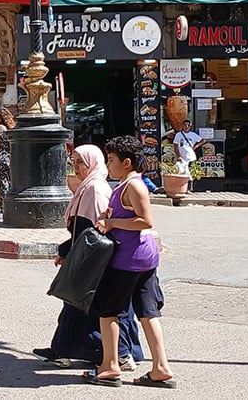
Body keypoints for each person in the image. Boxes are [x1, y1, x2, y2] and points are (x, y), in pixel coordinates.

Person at [33, 144, 143, 371]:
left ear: (93, 162)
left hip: (94, 258)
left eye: (81, 162)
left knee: (90, 306)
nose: (76, 167)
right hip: (85, 255)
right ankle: (63, 349)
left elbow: (92, 229)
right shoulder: (86, 188)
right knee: (75, 304)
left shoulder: (94, 189)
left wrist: (68, 252)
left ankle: (119, 354)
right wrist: (68, 251)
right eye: (73, 162)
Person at [84, 135, 175, 388]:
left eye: (111, 160)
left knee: (109, 311)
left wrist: (111, 223)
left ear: (126, 162)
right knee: (147, 312)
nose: (108, 165)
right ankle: (160, 367)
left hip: (127, 258)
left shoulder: (132, 185)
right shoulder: (127, 184)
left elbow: (145, 220)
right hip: (143, 258)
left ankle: (110, 366)